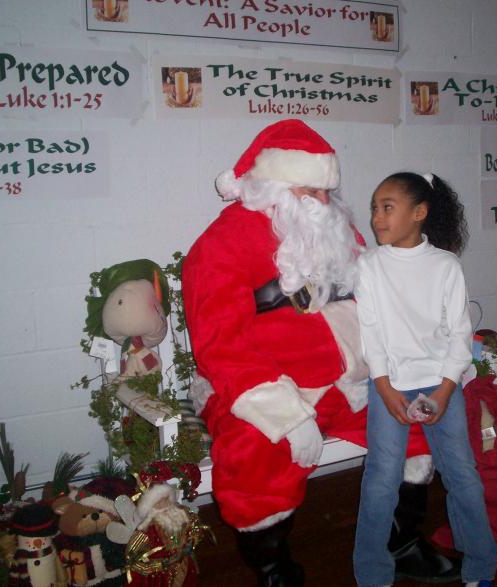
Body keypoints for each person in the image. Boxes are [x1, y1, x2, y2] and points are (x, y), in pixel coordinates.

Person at [182, 120, 459, 585]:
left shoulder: (338, 230)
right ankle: (275, 570)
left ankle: (402, 543)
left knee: (415, 421)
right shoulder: (221, 244)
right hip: (261, 387)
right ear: (271, 186)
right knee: (254, 452)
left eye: (326, 191)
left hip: (346, 384)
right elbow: (219, 343)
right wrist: (284, 412)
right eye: (307, 190)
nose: (321, 203)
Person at [353, 172, 497, 587]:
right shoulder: (369, 266)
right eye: (374, 208)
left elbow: (459, 333)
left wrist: (444, 390)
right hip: (390, 384)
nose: (376, 217)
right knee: (381, 479)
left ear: (419, 213)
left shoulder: (445, 266)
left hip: (441, 382)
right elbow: (371, 333)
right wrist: (383, 388)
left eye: (387, 207)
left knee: (462, 475)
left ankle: (481, 567)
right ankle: (373, 575)